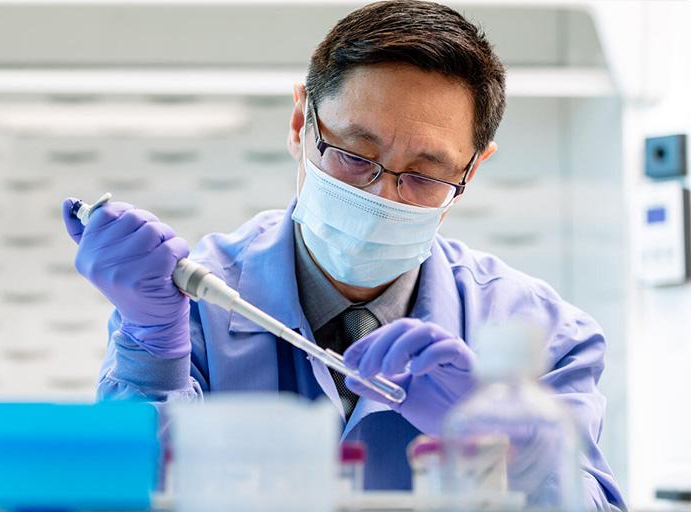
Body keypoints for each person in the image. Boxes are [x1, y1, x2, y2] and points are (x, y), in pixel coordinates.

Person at [61, 1, 624, 509]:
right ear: (301, 123)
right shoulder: (189, 305)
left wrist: (510, 445)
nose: (382, 196)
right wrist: (151, 345)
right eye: (356, 155)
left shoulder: (544, 333)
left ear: (471, 170)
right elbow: (121, 495)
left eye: (426, 175)